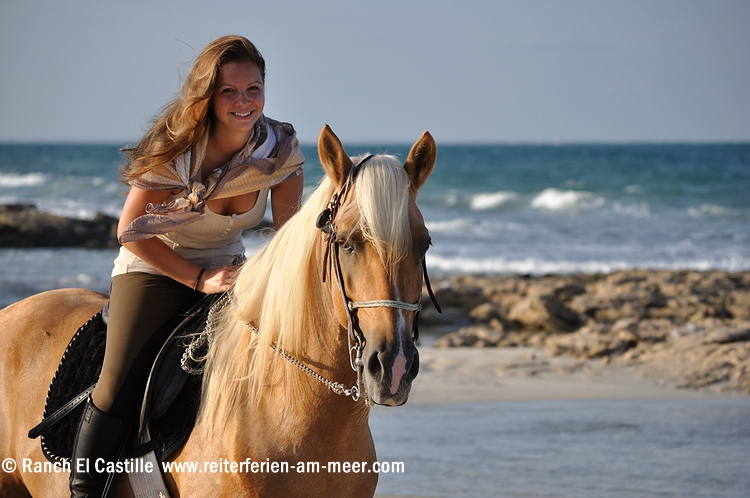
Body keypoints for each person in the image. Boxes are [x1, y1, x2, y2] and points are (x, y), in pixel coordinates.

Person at [69, 35, 304, 497]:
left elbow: (288, 242)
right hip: (154, 267)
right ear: (208, 96)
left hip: (230, 271)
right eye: (229, 92)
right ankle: (85, 491)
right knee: (118, 386)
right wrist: (197, 278)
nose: (244, 102)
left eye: (253, 89)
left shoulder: (279, 151)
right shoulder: (177, 148)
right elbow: (131, 230)